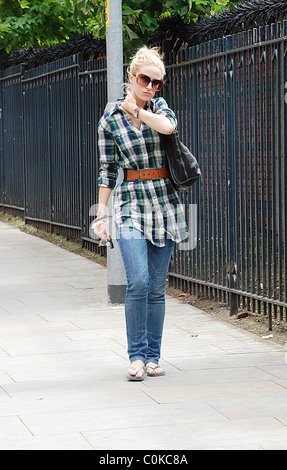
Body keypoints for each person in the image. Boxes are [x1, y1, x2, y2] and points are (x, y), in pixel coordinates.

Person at [94, 46, 188, 381]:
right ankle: (136, 356)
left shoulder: (159, 108)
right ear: (132, 77)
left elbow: (167, 128)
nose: (150, 86)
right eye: (145, 79)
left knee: (156, 287)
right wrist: (101, 214)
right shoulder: (110, 120)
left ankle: (152, 356)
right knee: (138, 281)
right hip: (131, 204)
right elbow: (107, 170)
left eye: (157, 82)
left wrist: (140, 109)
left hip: (165, 203)